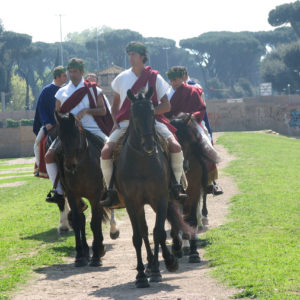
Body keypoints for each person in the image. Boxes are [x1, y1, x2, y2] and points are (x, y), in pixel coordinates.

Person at [100, 41, 187, 207]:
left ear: (142, 57)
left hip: (152, 123)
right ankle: (110, 190)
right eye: (129, 54)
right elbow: (115, 106)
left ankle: (177, 185)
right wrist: (114, 122)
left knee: (175, 146)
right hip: (125, 124)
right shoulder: (121, 78)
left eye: (134, 54)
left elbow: (166, 105)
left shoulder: (155, 77)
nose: (131, 58)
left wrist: (147, 113)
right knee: (105, 151)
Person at [45, 58, 112, 204]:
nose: (72, 74)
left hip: (93, 129)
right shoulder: (61, 92)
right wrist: (67, 122)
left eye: (75, 71)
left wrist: (87, 110)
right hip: (69, 133)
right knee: (49, 155)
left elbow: (103, 110)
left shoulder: (94, 90)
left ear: (82, 72)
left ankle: (111, 188)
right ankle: (58, 191)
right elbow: (57, 113)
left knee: (111, 149)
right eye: (70, 71)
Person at [165, 66, 223, 195]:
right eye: (171, 80)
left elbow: (201, 109)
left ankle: (210, 181)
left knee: (206, 141)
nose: (173, 83)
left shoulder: (193, 90)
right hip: (173, 126)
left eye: (175, 79)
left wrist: (190, 117)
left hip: (192, 123)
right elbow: (165, 111)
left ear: (182, 78)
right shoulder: (167, 93)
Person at [182, 67, 223, 195]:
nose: (174, 80)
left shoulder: (196, 87)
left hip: (195, 121)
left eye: (178, 77)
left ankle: (211, 181)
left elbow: (201, 107)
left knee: (206, 144)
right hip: (178, 124)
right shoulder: (170, 89)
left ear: (185, 75)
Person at [33, 66, 67, 176]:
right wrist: (46, 122)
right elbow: (41, 109)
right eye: (64, 75)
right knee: (38, 144)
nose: (66, 77)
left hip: (66, 124)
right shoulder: (46, 90)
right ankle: (40, 168)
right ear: (57, 77)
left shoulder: (67, 90)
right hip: (50, 124)